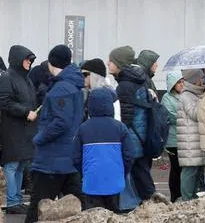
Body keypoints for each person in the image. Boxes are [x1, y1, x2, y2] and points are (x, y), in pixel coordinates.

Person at [25, 46, 85, 223]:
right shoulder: (74, 85)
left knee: (37, 207)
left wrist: (39, 138)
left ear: (52, 62)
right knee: (80, 206)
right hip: (68, 158)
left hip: (51, 161)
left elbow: (61, 122)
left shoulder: (61, 89)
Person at [76, 86, 137, 212]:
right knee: (113, 216)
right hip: (115, 181)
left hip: (92, 181)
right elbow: (130, 155)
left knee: (93, 216)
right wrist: (122, 173)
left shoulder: (83, 128)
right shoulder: (120, 127)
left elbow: (75, 157)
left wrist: (84, 173)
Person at [113, 50, 155, 207]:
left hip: (132, 137)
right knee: (141, 172)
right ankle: (150, 202)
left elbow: (124, 116)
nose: (107, 64)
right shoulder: (140, 82)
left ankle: (134, 204)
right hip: (141, 136)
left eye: (111, 61)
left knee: (134, 172)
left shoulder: (123, 86)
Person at [0, 45, 37, 216]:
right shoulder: (7, 78)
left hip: (26, 129)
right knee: (12, 165)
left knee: (21, 164)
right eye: (27, 59)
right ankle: (13, 201)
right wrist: (25, 112)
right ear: (18, 59)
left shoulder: (26, 79)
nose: (29, 62)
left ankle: (17, 200)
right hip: (13, 130)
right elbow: (4, 102)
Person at [177, 69, 205, 201]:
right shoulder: (187, 95)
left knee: (196, 172)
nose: (203, 81)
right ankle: (186, 200)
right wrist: (204, 102)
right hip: (189, 142)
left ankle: (192, 199)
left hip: (194, 141)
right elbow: (195, 114)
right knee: (190, 172)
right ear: (196, 79)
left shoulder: (195, 95)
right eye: (201, 78)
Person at [161, 71, 184, 202]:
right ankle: (175, 196)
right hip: (173, 140)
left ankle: (181, 194)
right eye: (179, 82)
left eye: (182, 81)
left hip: (183, 138)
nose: (182, 84)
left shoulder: (184, 96)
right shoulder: (166, 98)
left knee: (183, 169)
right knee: (175, 169)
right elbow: (171, 115)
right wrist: (185, 116)